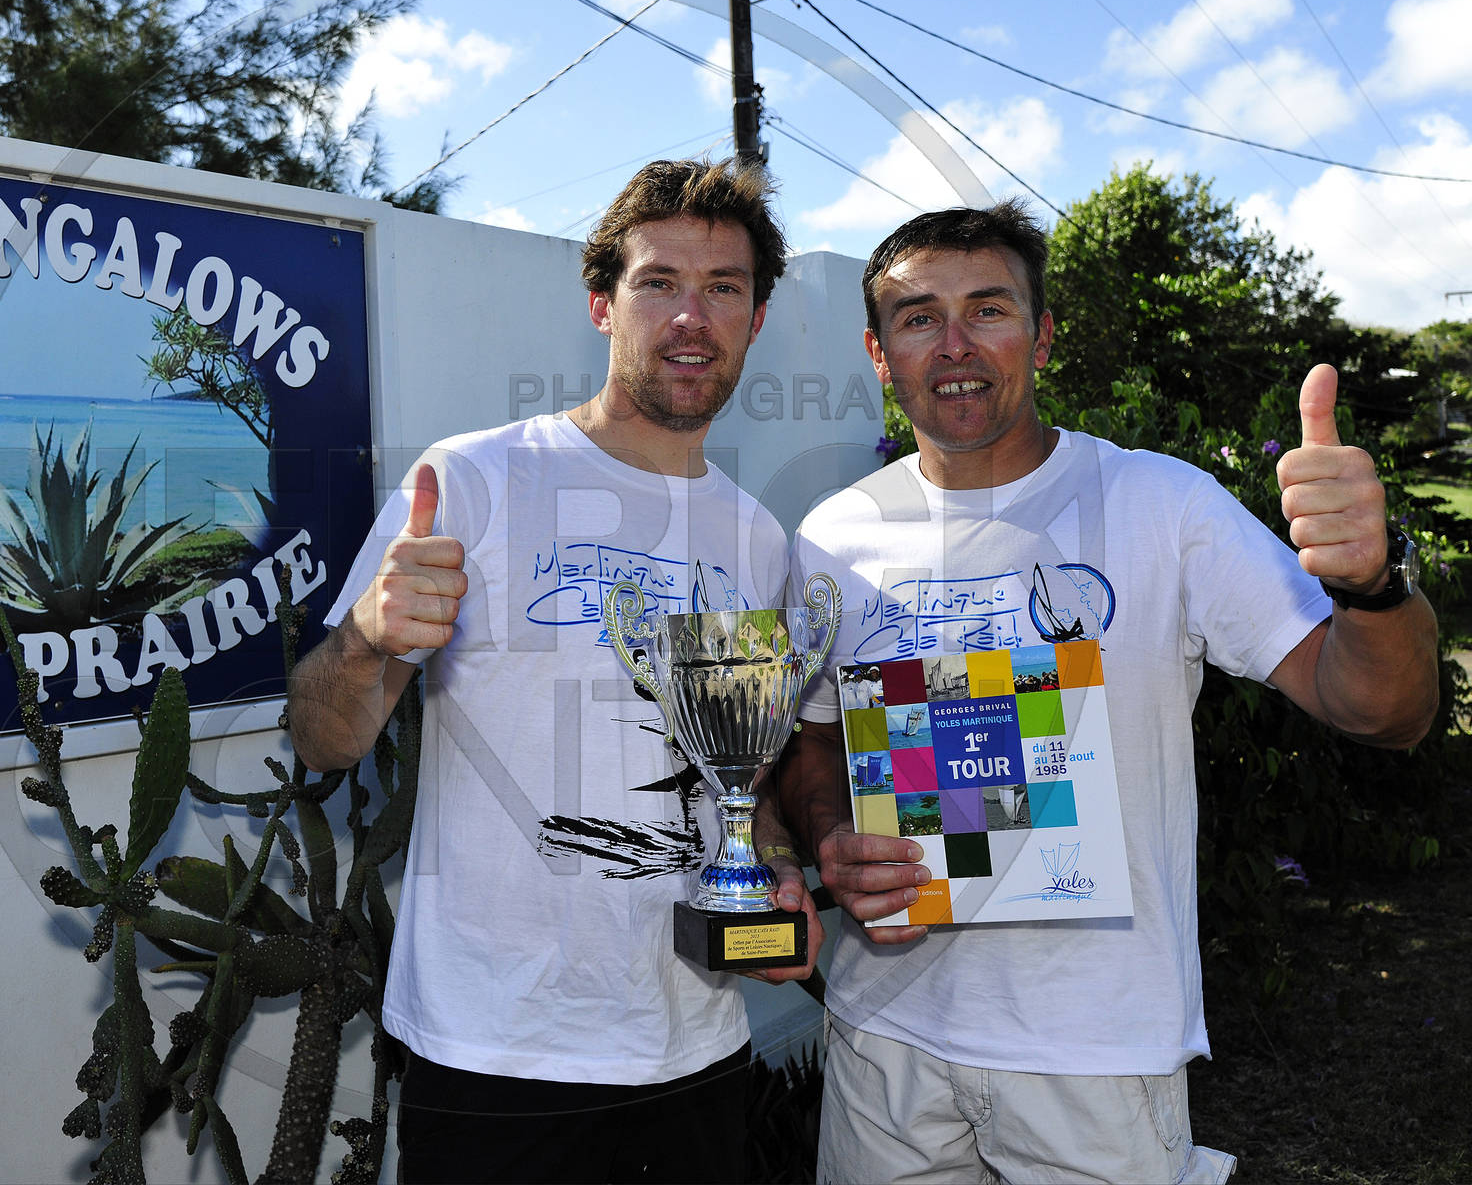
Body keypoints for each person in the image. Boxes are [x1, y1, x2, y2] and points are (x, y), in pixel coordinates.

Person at [759, 201, 1438, 1184]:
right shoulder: (830, 536)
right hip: (884, 1045)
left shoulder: (1163, 504)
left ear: (1041, 336)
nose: (954, 344)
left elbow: (1386, 710)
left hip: (1097, 1055)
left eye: (988, 309)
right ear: (879, 351)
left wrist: (1371, 586)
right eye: (918, 317)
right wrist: (828, 836)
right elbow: (813, 742)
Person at [287, 159, 807, 1184]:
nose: (691, 315)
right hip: (496, 1058)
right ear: (602, 304)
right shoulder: (473, 479)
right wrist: (368, 640)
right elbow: (321, 739)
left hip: (696, 1048)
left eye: (723, 287)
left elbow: (743, 776)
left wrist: (778, 865)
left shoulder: (758, 538)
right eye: (659, 282)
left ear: (755, 320)